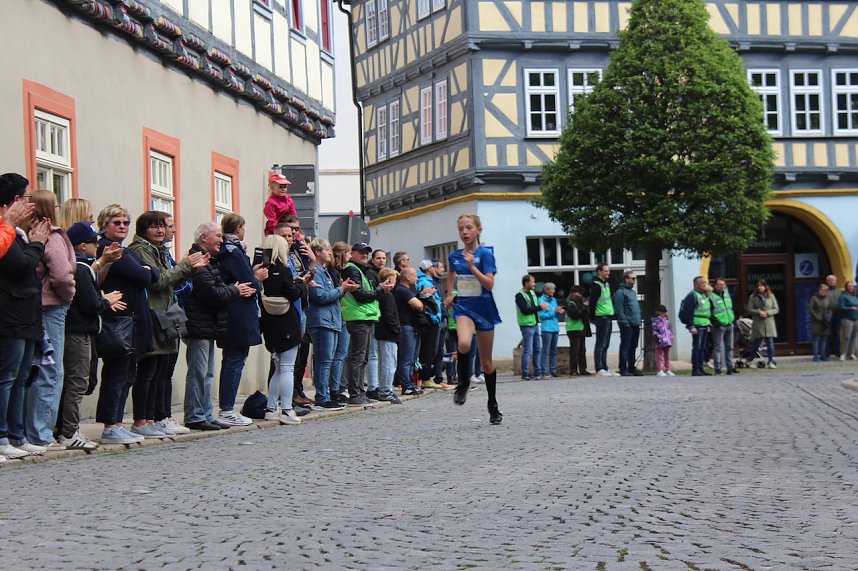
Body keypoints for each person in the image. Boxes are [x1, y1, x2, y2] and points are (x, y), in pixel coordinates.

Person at [127, 211, 206, 438]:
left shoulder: (158, 250)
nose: (161, 231)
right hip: (153, 314)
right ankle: (144, 419)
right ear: (144, 229)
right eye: (154, 226)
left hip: (167, 313)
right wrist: (185, 266)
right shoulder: (141, 250)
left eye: (163, 226)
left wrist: (189, 269)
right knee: (150, 370)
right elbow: (159, 281)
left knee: (163, 370)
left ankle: (157, 417)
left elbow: (169, 283)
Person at [95, 204, 160, 444]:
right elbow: (145, 276)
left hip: (133, 319)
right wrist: (146, 271)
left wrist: (148, 270)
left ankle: (118, 422)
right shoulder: (107, 248)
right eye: (117, 223)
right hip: (120, 321)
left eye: (125, 223)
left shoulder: (124, 250)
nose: (122, 226)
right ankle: (110, 425)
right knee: (117, 374)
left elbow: (154, 274)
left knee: (128, 374)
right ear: (105, 225)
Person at [58, 222, 124, 449]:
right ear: (82, 245)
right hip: (79, 332)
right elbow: (90, 305)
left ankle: (65, 428)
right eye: (95, 242)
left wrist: (102, 263)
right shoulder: (82, 268)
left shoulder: (83, 267)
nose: (98, 245)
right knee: (77, 382)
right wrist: (107, 301)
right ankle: (69, 431)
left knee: (74, 381)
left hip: (76, 330)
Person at [183, 223, 255, 431]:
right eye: (217, 236)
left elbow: (217, 287)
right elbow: (210, 292)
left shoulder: (209, 260)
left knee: (207, 373)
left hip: (207, 324)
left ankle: (205, 413)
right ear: (204, 238)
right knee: (198, 372)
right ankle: (195, 415)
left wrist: (230, 289)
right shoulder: (198, 260)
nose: (221, 240)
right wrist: (235, 290)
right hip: (199, 323)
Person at [0, 173, 51, 460]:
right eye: (26, 198)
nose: (30, 204)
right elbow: (20, 266)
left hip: (26, 314)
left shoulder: (14, 233)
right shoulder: (6, 232)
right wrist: (37, 243)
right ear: (15, 201)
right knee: (6, 378)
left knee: (20, 378)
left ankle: (16, 436)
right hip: (10, 315)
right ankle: (2, 436)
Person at [24, 190, 77, 449]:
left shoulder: (28, 233)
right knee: (51, 371)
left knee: (34, 370)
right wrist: (70, 295)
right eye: (56, 204)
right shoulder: (52, 236)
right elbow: (61, 274)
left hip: (34, 306)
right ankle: (41, 433)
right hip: (52, 306)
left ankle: (31, 431)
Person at [444, 213, 503, 425]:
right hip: (464, 308)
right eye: (461, 229)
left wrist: (471, 267)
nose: (464, 232)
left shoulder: (486, 254)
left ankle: (492, 404)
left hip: (485, 309)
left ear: (479, 230)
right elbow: (451, 275)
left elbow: (489, 284)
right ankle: (463, 383)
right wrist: (449, 294)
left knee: (486, 363)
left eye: (469, 227)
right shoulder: (454, 256)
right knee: (464, 343)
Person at [217, 214, 268, 426]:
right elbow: (249, 284)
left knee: (232, 360)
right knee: (235, 360)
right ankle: (227, 408)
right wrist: (257, 279)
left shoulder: (229, 250)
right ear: (238, 228)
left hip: (232, 311)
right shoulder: (233, 251)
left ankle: (226, 407)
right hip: (237, 313)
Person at [259, 234, 310, 424]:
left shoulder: (262, 270)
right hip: (286, 322)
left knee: (278, 368)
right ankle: (287, 409)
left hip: (269, 322)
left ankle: (271, 407)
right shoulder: (283, 269)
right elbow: (293, 293)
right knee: (287, 368)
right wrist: (299, 284)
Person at [341, 242, 394, 405]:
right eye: (361, 252)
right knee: (357, 357)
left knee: (362, 357)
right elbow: (361, 295)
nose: (365, 255)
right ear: (353, 253)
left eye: (366, 253)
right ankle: (355, 394)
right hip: (357, 317)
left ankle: (359, 393)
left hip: (364, 316)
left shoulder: (360, 270)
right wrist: (380, 289)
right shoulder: (351, 269)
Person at [307, 238, 356, 409]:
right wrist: (341, 289)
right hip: (322, 321)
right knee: (324, 361)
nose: (330, 252)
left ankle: (327, 395)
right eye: (327, 250)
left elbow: (331, 295)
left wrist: (343, 289)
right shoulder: (315, 271)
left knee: (328, 360)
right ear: (318, 252)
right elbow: (320, 296)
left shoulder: (324, 271)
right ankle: (322, 397)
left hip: (331, 320)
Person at [154, 215, 192, 435]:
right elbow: (165, 282)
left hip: (173, 312)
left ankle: (165, 414)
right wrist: (185, 268)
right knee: (158, 370)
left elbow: (181, 282)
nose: (172, 231)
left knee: (167, 369)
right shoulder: (154, 254)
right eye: (169, 227)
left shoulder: (166, 254)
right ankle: (158, 416)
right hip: (163, 312)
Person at [393, 267, 424, 396]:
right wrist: (418, 305)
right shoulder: (402, 290)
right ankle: (406, 385)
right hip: (406, 327)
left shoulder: (409, 290)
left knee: (412, 358)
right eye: (415, 276)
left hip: (412, 326)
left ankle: (410, 383)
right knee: (406, 358)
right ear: (408, 277)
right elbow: (419, 305)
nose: (417, 278)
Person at [328, 241, 352, 401]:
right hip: (337, 316)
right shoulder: (334, 272)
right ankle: (334, 389)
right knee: (338, 355)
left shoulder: (336, 271)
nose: (350, 256)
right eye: (349, 253)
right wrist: (344, 289)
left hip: (341, 315)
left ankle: (337, 387)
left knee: (339, 354)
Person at [375, 267, 402, 404]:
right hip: (388, 334)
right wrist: (397, 330)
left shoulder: (381, 295)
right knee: (389, 363)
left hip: (381, 333)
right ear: (390, 280)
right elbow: (389, 315)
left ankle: (384, 388)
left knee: (384, 362)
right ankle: (386, 390)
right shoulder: (387, 295)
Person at [416, 260, 444, 389]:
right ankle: (424, 378)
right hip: (431, 320)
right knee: (428, 350)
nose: (436, 268)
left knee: (433, 350)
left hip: (435, 318)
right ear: (429, 269)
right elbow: (427, 301)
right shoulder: (424, 282)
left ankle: (426, 378)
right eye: (433, 266)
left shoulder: (429, 280)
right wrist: (433, 317)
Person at [679, 276, 712, 376]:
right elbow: (688, 312)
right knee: (697, 347)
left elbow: (706, 311)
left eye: (705, 282)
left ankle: (701, 368)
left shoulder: (704, 295)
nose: (704, 284)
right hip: (697, 325)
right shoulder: (692, 296)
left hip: (704, 324)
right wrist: (691, 326)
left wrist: (708, 324)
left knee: (703, 348)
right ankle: (695, 369)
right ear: (696, 284)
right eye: (702, 283)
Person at [515, 274, 545, 380]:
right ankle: (525, 373)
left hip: (535, 324)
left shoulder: (532, 293)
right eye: (532, 282)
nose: (534, 284)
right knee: (527, 350)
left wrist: (540, 307)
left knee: (538, 349)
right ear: (526, 283)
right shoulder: (519, 295)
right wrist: (539, 308)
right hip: (526, 325)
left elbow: (534, 307)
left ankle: (538, 372)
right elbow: (525, 310)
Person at [613, 271, 642, 376]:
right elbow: (619, 309)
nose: (634, 280)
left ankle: (631, 367)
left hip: (635, 323)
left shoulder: (633, 292)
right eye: (632, 278)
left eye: (635, 278)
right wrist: (624, 322)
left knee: (633, 346)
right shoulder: (620, 292)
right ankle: (623, 368)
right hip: (627, 324)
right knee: (626, 346)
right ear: (626, 279)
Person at [589, 263, 615, 376]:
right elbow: (592, 303)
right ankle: (599, 368)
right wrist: (592, 318)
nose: (608, 273)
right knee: (600, 343)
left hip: (608, 315)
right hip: (601, 317)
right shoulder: (596, 285)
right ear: (599, 272)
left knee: (606, 343)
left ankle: (604, 367)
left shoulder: (606, 284)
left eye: (608, 271)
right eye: (605, 271)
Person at [746, 279, 779, 369]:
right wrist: (758, 312)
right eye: (758, 286)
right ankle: (750, 359)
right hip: (758, 323)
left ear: (765, 286)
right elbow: (749, 309)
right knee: (756, 343)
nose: (760, 287)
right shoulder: (752, 297)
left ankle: (771, 361)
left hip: (769, 322)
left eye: (762, 286)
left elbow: (776, 308)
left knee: (770, 343)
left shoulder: (770, 296)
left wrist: (768, 313)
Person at [710, 278, 738, 375]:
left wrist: (733, 319)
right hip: (719, 325)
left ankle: (730, 367)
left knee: (730, 347)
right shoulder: (711, 296)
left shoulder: (726, 295)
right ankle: (718, 368)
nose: (722, 286)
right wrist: (716, 323)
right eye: (720, 284)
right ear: (715, 286)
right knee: (718, 347)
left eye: (723, 284)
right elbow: (710, 312)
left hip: (729, 323)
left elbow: (730, 308)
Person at [538, 282, 564, 377]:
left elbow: (555, 314)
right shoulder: (540, 300)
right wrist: (554, 312)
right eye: (552, 289)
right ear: (546, 290)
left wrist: (558, 312)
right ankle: (544, 370)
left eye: (554, 289)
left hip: (555, 327)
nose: (554, 291)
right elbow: (541, 315)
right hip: (546, 328)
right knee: (545, 350)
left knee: (554, 350)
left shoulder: (554, 300)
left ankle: (553, 370)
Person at [565, 285, 591, 376]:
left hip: (581, 328)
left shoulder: (579, 302)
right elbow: (575, 315)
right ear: (573, 293)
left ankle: (583, 369)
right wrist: (583, 307)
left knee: (582, 350)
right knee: (575, 351)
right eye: (578, 293)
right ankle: (573, 370)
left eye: (580, 293)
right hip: (573, 328)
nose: (579, 295)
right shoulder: (570, 303)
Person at [262, 171, 297, 236]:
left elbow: (294, 217)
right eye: (280, 187)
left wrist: (295, 232)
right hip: (274, 231)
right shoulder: (271, 203)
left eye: (285, 187)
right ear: (272, 188)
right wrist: (280, 233)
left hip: (288, 229)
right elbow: (272, 221)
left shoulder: (289, 200)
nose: (283, 189)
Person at [809, 283, 833, 362]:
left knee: (824, 340)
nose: (823, 292)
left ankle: (823, 355)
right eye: (822, 290)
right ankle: (816, 356)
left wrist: (829, 316)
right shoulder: (814, 298)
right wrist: (817, 317)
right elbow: (811, 309)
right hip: (817, 321)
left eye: (825, 290)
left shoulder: (828, 298)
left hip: (826, 321)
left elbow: (830, 308)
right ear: (819, 290)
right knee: (816, 340)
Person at [651, 305, 675, 377]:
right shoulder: (656, 320)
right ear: (658, 312)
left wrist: (671, 336)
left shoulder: (667, 320)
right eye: (661, 312)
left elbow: (670, 329)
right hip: (660, 341)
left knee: (667, 356)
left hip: (667, 341)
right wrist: (659, 337)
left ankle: (667, 369)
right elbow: (654, 331)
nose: (663, 314)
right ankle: (659, 370)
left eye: (664, 312)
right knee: (659, 356)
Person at [839, 281, 858, 360]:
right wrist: (850, 308)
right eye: (849, 286)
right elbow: (841, 307)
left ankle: (852, 353)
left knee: (854, 336)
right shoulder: (843, 296)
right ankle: (843, 354)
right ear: (846, 287)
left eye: (852, 286)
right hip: (847, 319)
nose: (851, 287)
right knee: (847, 336)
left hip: (856, 319)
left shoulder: (854, 296)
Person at [825, 274, 842, 360]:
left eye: (833, 280)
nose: (831, 282)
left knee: (837, 335)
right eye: (830, 280)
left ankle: (837, 353)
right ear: (827, 282)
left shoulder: (839, 292)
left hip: (838, 315)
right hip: (828, 316)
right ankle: (826, 354)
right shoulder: (824, 291)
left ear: (836, 282)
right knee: (827, 335)